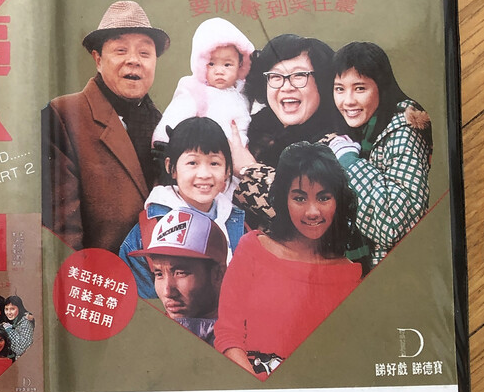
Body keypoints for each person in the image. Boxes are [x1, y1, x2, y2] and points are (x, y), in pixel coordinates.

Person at [215, 142, 362, 377]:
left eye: (323, 198)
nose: (312, 211)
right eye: (300, 198)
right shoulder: (253, 248)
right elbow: (227, 335)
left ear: (338, 201)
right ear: (284, 199)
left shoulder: (351, 276)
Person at [42, 0, 171, 254]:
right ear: (98, 59)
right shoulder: (64, 115)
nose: (134, 60)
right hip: (95, 276)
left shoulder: (165, 126)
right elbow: (61, 235)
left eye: (145, 53)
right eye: (121, 50)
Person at [328, 41, 432, 264]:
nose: (348, 101)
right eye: (339, 89)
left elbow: (394, 227)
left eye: (360, 88)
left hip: (396, 271)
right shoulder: (355, 132)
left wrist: (349, 162)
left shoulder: (404, 131)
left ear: (381, 87)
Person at [120, 117, 245, 298]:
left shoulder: (238, 224)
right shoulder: (148, 232)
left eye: (214, 163)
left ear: (227, 171)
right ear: (171, 168)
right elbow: (143, 305)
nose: (204, 174)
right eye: (192, 163)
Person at [229, 33, 341, 228]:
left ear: (321, 82)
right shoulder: (252, 129)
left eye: (299, 76)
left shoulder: (337, 142)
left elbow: (307, 210)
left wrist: (248, 170)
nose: (286, 87)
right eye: (275, 76)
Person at [129, 208, 228, 345]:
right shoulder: (144, 338)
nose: (168, 292)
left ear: (218, 274)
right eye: (159, 274)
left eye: (181, 273)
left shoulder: (250, 339)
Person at [153, 17, 256, 145]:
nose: (219, 71)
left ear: (240, 64)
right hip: (206, 151)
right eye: (211, 64)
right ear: (201, 64)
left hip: (240, 151)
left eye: (227, 65)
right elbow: (174, 117)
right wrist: (163, 142)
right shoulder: (196, 91)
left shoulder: (244, 91)